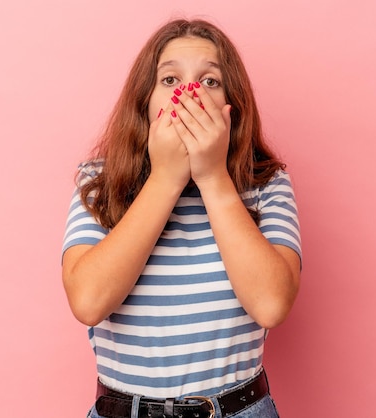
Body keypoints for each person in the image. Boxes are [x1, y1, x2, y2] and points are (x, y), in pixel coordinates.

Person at [62, 18, 302, 418]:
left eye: (210, 81)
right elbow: (88, 302)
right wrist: (165, 178)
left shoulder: (266, 183)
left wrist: (212, 176)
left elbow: (272, 305)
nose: (189, 96)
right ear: (145, 100)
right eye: (170, 81)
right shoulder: (98, 182)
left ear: (233, 106)